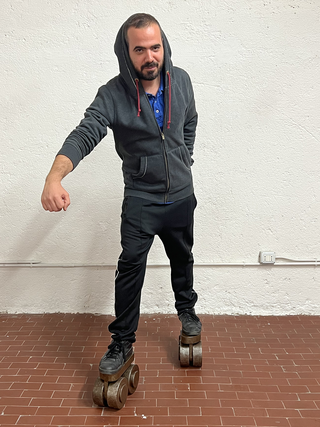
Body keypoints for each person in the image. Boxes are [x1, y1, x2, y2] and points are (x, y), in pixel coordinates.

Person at [41, 13, 201, 374]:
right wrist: (55, 176)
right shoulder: (112, 95)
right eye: (140, 49)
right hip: (141, 201)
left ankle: (187, 312)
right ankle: (122, 343)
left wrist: (183, 159)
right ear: (126, 52)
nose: (150, 56)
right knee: (130, 269)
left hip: (181, 197)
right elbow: (85, 133)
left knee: (183, 259)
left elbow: (190, 120)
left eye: (155, 47)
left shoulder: (183, 82)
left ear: (164, 47)